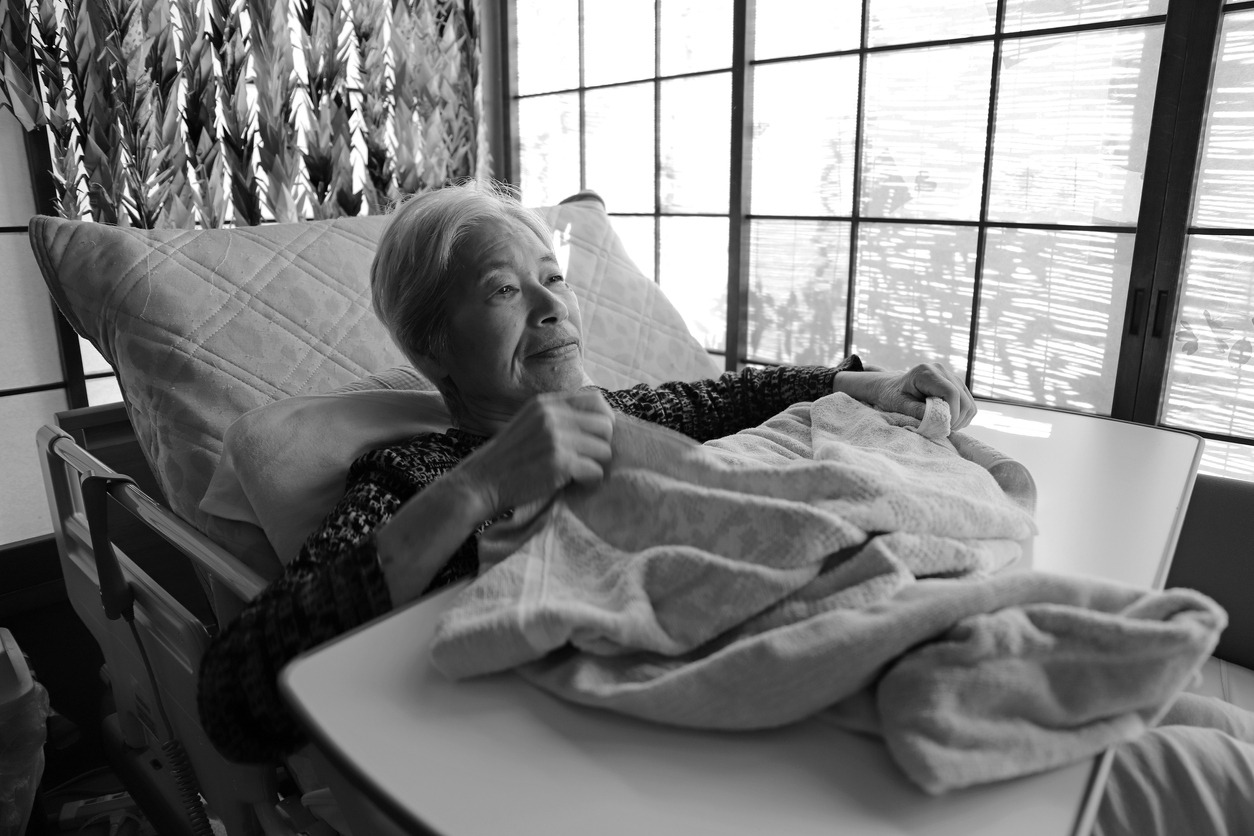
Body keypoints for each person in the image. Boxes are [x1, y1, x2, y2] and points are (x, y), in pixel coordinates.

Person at [197, 182, 1254, 834]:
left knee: (1205, 719)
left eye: (554, 278)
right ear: (432, 345)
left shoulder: (623, 412)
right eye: (504, 289)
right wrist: (477, 484)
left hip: (839, 626)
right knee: (1188, 763)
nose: (555, 304)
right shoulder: (411, 472)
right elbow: (236, 697)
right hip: (704, 744)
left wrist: (871, 384)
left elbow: (737, 397)